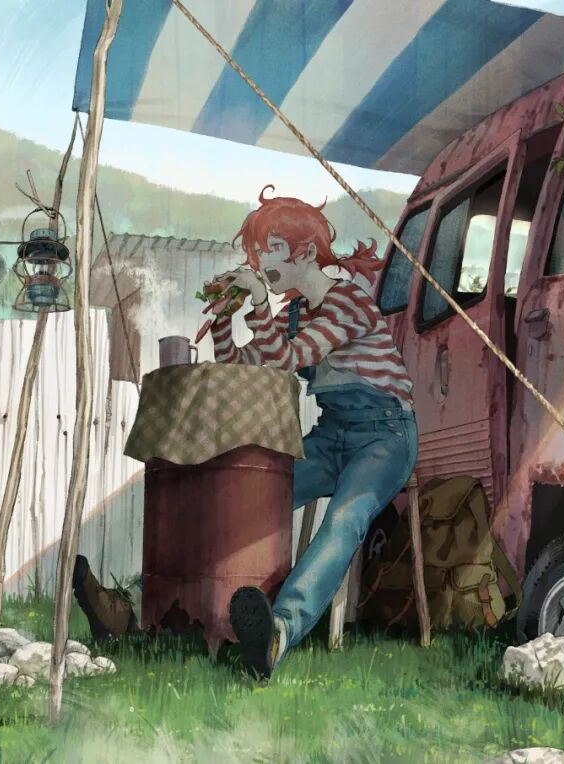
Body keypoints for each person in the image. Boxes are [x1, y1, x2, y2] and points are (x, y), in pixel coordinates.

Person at [207, 185, 417, 678]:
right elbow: (245, 365)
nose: (261, 262)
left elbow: (289, 358)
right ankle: (171, 604)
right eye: (257, 252)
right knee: (257, 496)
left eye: (271, 250)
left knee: (343, 520)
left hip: (385, 436)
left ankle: (277, 633)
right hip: (331, 433)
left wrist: (259, 304)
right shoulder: (295, 313)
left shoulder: (348, 301)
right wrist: (222, 321)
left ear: (304, 253)